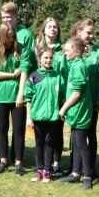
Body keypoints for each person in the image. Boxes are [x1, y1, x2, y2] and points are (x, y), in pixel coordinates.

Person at [0, 21, 30, 175]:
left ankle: (18, 163)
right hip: (0, 96)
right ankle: (3, 161)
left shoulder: (21, 48)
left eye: (13, 37)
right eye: (8, 37)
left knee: (18, 130)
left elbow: (25, 69)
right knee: (1, 129)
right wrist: (13, 74)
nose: (11, 40)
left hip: (17, 95)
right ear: (1, 36)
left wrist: (21, 93)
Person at [69, 19, 99, 182]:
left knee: (91, 134)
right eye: (88, 32)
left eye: (92, 32)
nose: (91, 35)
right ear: (78, 31)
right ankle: (74, 168)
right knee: (76, 135)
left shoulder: (98, 51)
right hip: (75, 101)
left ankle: (91, 170)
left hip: (91, 102)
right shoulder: (71, 49)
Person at [24, 47, 67, 182]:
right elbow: (28, 98)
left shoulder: (58, 76)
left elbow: (62, 96)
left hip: (53, 117)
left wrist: (63, 111)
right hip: (37, 116)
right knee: (39, 143)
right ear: (39, 59)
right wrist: (29, 117)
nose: (48, 60)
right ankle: (39, 170)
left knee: (49, 143)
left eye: (50, 58)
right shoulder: (33, 76)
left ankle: (47, 171)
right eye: (45, 58)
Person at [59, 37, 94, 189]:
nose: (65, 53)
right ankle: (74, 173)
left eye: (68, 50)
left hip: (80, 112)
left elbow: (77, 93)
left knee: (81, 145)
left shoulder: (79, 66)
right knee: (75, 143)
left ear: (77, 51)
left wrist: (64, 108)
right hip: (76, 112)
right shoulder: (74, 65)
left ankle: (87, 177)